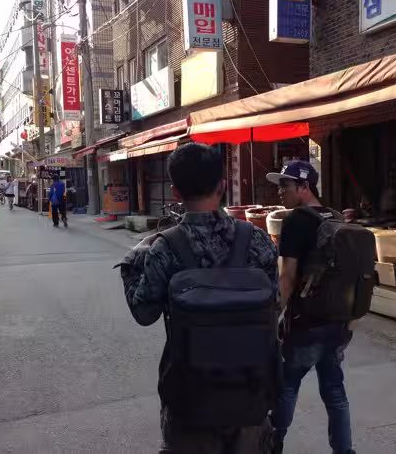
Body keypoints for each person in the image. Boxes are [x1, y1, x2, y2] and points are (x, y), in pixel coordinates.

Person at [118, 143, 279, 454]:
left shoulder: (165, 247)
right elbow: (275, 303)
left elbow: (144, 313)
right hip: (251, 392)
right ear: (222, 186)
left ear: (176, 193)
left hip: (190, 399)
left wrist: (131, 265)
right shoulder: (256, 239)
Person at [266, 161, 355, 454]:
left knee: (287, 385)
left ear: (305, 187)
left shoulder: (295, 222)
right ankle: (344, 450)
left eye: (286, 186)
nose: (280, 192)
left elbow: (287, 278)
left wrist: (273, 317)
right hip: (338, 321)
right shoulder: (336, 217)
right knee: (334, 391)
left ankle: (272, 443)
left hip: (307, 322)